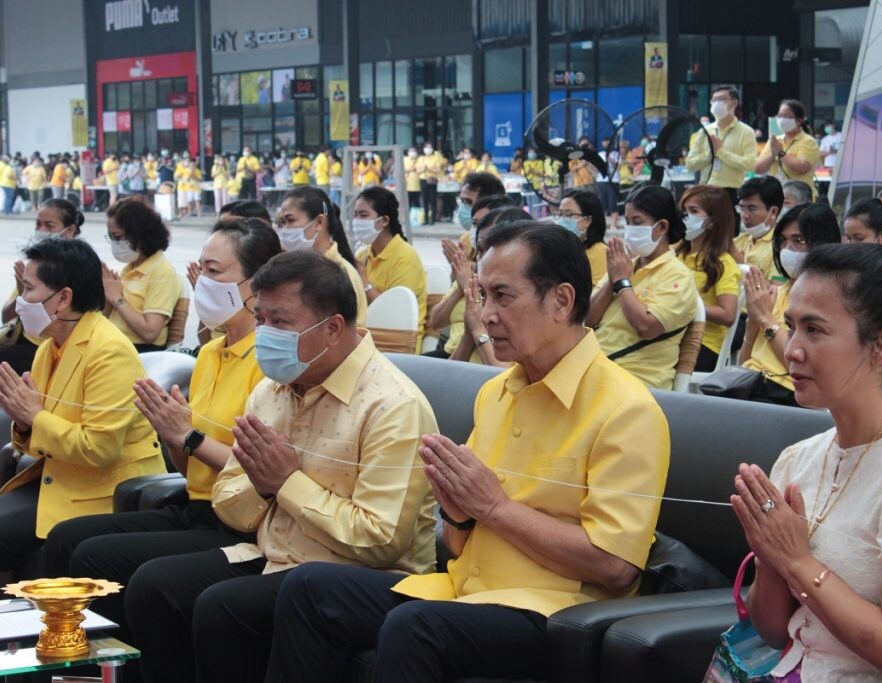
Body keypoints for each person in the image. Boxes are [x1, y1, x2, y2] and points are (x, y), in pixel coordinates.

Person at [264, 221, 670, 683]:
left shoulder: (626, 410)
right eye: (481, 295)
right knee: (308, 587)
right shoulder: (495, 392)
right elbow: (459, 541)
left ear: (560, 300)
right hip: (465, 589)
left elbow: (615, 566)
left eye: (503, 296)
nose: (485, 314)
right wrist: (457, 511)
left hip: (557, 612)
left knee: (414, 627)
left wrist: (494, 507)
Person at [124, 250, 438, 683]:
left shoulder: (392, 405)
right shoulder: (273, 390)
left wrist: (287, 483)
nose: (266, 335)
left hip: (359, 577)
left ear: (332, 328)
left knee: (224, 607)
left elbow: (381, 540)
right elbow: (227, 505)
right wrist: (267, 485)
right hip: (272, 556)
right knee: (153, 585)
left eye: (281, 323)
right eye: (261, 319)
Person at [731, 243, 882, 682]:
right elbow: (771, 630)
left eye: (815, 330)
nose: (792, 350)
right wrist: (771, 557)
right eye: (790, 326)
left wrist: (797, 560)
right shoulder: (799, 458)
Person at [41, 219, 279, 643]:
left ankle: (121, 663)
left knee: (102, 560)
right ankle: (83, 660)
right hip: (195, 505)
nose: (202, 282)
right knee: (67, 538)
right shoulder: (208, 354)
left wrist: (188, 436)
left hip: (241, 520)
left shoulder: (270, 362)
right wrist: (173, 434)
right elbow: (190, 469)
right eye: (200, 270)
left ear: (255, 283)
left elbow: (257, 470)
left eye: (215, 271)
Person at [0, 238, 164, 599]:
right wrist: (21, 420)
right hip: (60, 477)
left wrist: (33, 414)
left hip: (102, 490)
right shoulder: (50, 345)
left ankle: (4, 638)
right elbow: (36, 431)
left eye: (29, 289)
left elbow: (100, 448)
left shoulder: (108, 351)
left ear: (63, 298)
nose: (22, 301)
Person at [0, 200, 83, 411]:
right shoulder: (38, 261)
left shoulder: (75, 266)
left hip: (47, 344)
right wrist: (23, 291)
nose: (41, 231)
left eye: (49, 226)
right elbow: (7, 317)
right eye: (38, 224)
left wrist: (29, 296)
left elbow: (61, 316)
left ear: (69, 231)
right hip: (21, 337)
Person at [587, 183, 698, 389]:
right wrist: (612, 280)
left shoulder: (678, 276)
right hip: (597, 366)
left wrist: (622, 282)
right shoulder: (626, 264)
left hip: (637, 378)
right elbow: (588, 319)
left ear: (662, 227)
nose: (630, 229)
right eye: (627, 221)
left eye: (637, 222)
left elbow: (646, 327)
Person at [739, 203, 842, 405]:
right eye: (784, 241)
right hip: (748, 386)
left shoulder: (830, 299)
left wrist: (765, 320)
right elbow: (744, 363)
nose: (787, 250)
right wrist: (753, 321)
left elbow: (800, 365)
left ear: (822, 243)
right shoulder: (776, 292)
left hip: (786, 396)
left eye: (798, 240)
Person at [428, 195, 520, 361]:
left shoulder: (518, 293)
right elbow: (451, 371)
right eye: (481, 250)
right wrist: (464, 287)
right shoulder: (470, 272)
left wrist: (478, 328)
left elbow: (503, 375)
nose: (484, 257)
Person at [448, 206, 534, 367]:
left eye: (501, 294)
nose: (486, 259)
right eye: (481, 251)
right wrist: (469, 334)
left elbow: (508, 379)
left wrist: (479, 332)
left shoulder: (527, 305)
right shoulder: (474, 284)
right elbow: (449, 376)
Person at [273, 187, 368, 324]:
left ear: (319, 223)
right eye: (282, 223)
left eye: (290, 220)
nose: (284, 230)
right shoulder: (294, 268)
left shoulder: (343, 275)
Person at [103, 197, 182, 351]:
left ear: (139, 235)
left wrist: (117, 298)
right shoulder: (130, 268)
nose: (114, 243)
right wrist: (107, 295)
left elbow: (150, 332)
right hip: (114, 346)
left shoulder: (162, 272)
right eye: (110, 237)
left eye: (117, 237)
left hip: (140, 353)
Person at [352, 187, 427, 350]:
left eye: (363, 215)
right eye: (355, 215)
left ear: (384, 221)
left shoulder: (405, 257)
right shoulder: (363, 254)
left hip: (397, 342)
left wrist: (364, 282)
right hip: (366, 337)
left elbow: (396, 311)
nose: (356, 221)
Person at [677, 185, 742, 371]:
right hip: (674, 334)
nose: (686, 217)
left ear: (713, 220)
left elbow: (728, 314)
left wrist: (689, 306)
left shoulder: (722, 263)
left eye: (693, 211)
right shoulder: (677, 254)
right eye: (684, 210)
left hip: (704, 344)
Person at [685, 86, 758, 209]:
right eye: (714, 100)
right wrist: (710, 154)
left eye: (722, 99)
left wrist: (721, 152)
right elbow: (690, 165)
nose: (717, 103)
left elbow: (750, 164)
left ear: (734, 103)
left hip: (732, 191)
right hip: (706, 190)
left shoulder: (746, 132)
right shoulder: (705, 131)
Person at [755, 100, 821, 196]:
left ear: (799, 121)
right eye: (779, 115)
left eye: (786, 116)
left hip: (800, 197)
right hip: (776, 196)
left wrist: (781, 153)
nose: (781, 119)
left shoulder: (808, 142)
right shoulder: (775, 141)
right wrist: (772, 155)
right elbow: (758, 168)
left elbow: (802, 167)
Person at [733, 175, 784, 282]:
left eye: (752, 209)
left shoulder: (782, 246)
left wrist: (743, 267)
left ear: (773, 211)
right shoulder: (738, 241)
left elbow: (777, 290)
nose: (744, 215)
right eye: (742, 208)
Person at [555, 189, 608, 285]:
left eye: (569, 214)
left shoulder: (599, 251)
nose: (562, 220)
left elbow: (598, 294)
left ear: (588, 220)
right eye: (560, 214)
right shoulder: (564, 249)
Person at [454, 171, 507, 251]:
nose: (463, 207)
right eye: (462, 201)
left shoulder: (509, 243)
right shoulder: (465, 242)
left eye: (468, 202)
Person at [418, 142, 446, 225]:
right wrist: (424, 169)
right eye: (426, 147)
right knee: (425, 200)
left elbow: (438, 170)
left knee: (432, 199)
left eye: (430, 147)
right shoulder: (421, 158)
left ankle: (432, 219)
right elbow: (418, 170)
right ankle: (425, 219)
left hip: (432, 179)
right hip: (423, 179)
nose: (428, 149)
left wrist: (428, 168)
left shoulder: (435, 158)